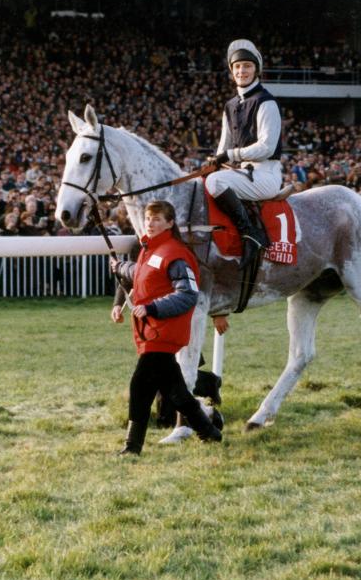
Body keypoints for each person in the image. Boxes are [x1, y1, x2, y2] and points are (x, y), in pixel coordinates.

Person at [109, 200, 222, 455]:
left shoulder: (176, 253)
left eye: (158, 219)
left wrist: (152, 308)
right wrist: (120, 268)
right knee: (177, 392)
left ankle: (132, 447)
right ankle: (209, 432)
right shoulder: (149, 250)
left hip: (163, 332)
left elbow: (188, 294)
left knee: (140, 385)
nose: (151, 223)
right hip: (151, 331)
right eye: (149, 218)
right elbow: (141, 272)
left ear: (170, 224)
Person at [205, 39, 283, 268]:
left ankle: (251, 236)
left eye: (247, 66)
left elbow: (267, 146)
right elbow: (223, 146)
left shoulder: (266, 102)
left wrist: (230, 156)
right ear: (232, 72)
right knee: (205, 180)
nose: (242, 71)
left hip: (265, 174)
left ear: (256, 70)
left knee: (215, 181)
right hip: (242, 174)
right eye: (237, 67)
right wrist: (214, 161)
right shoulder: (230, 105)